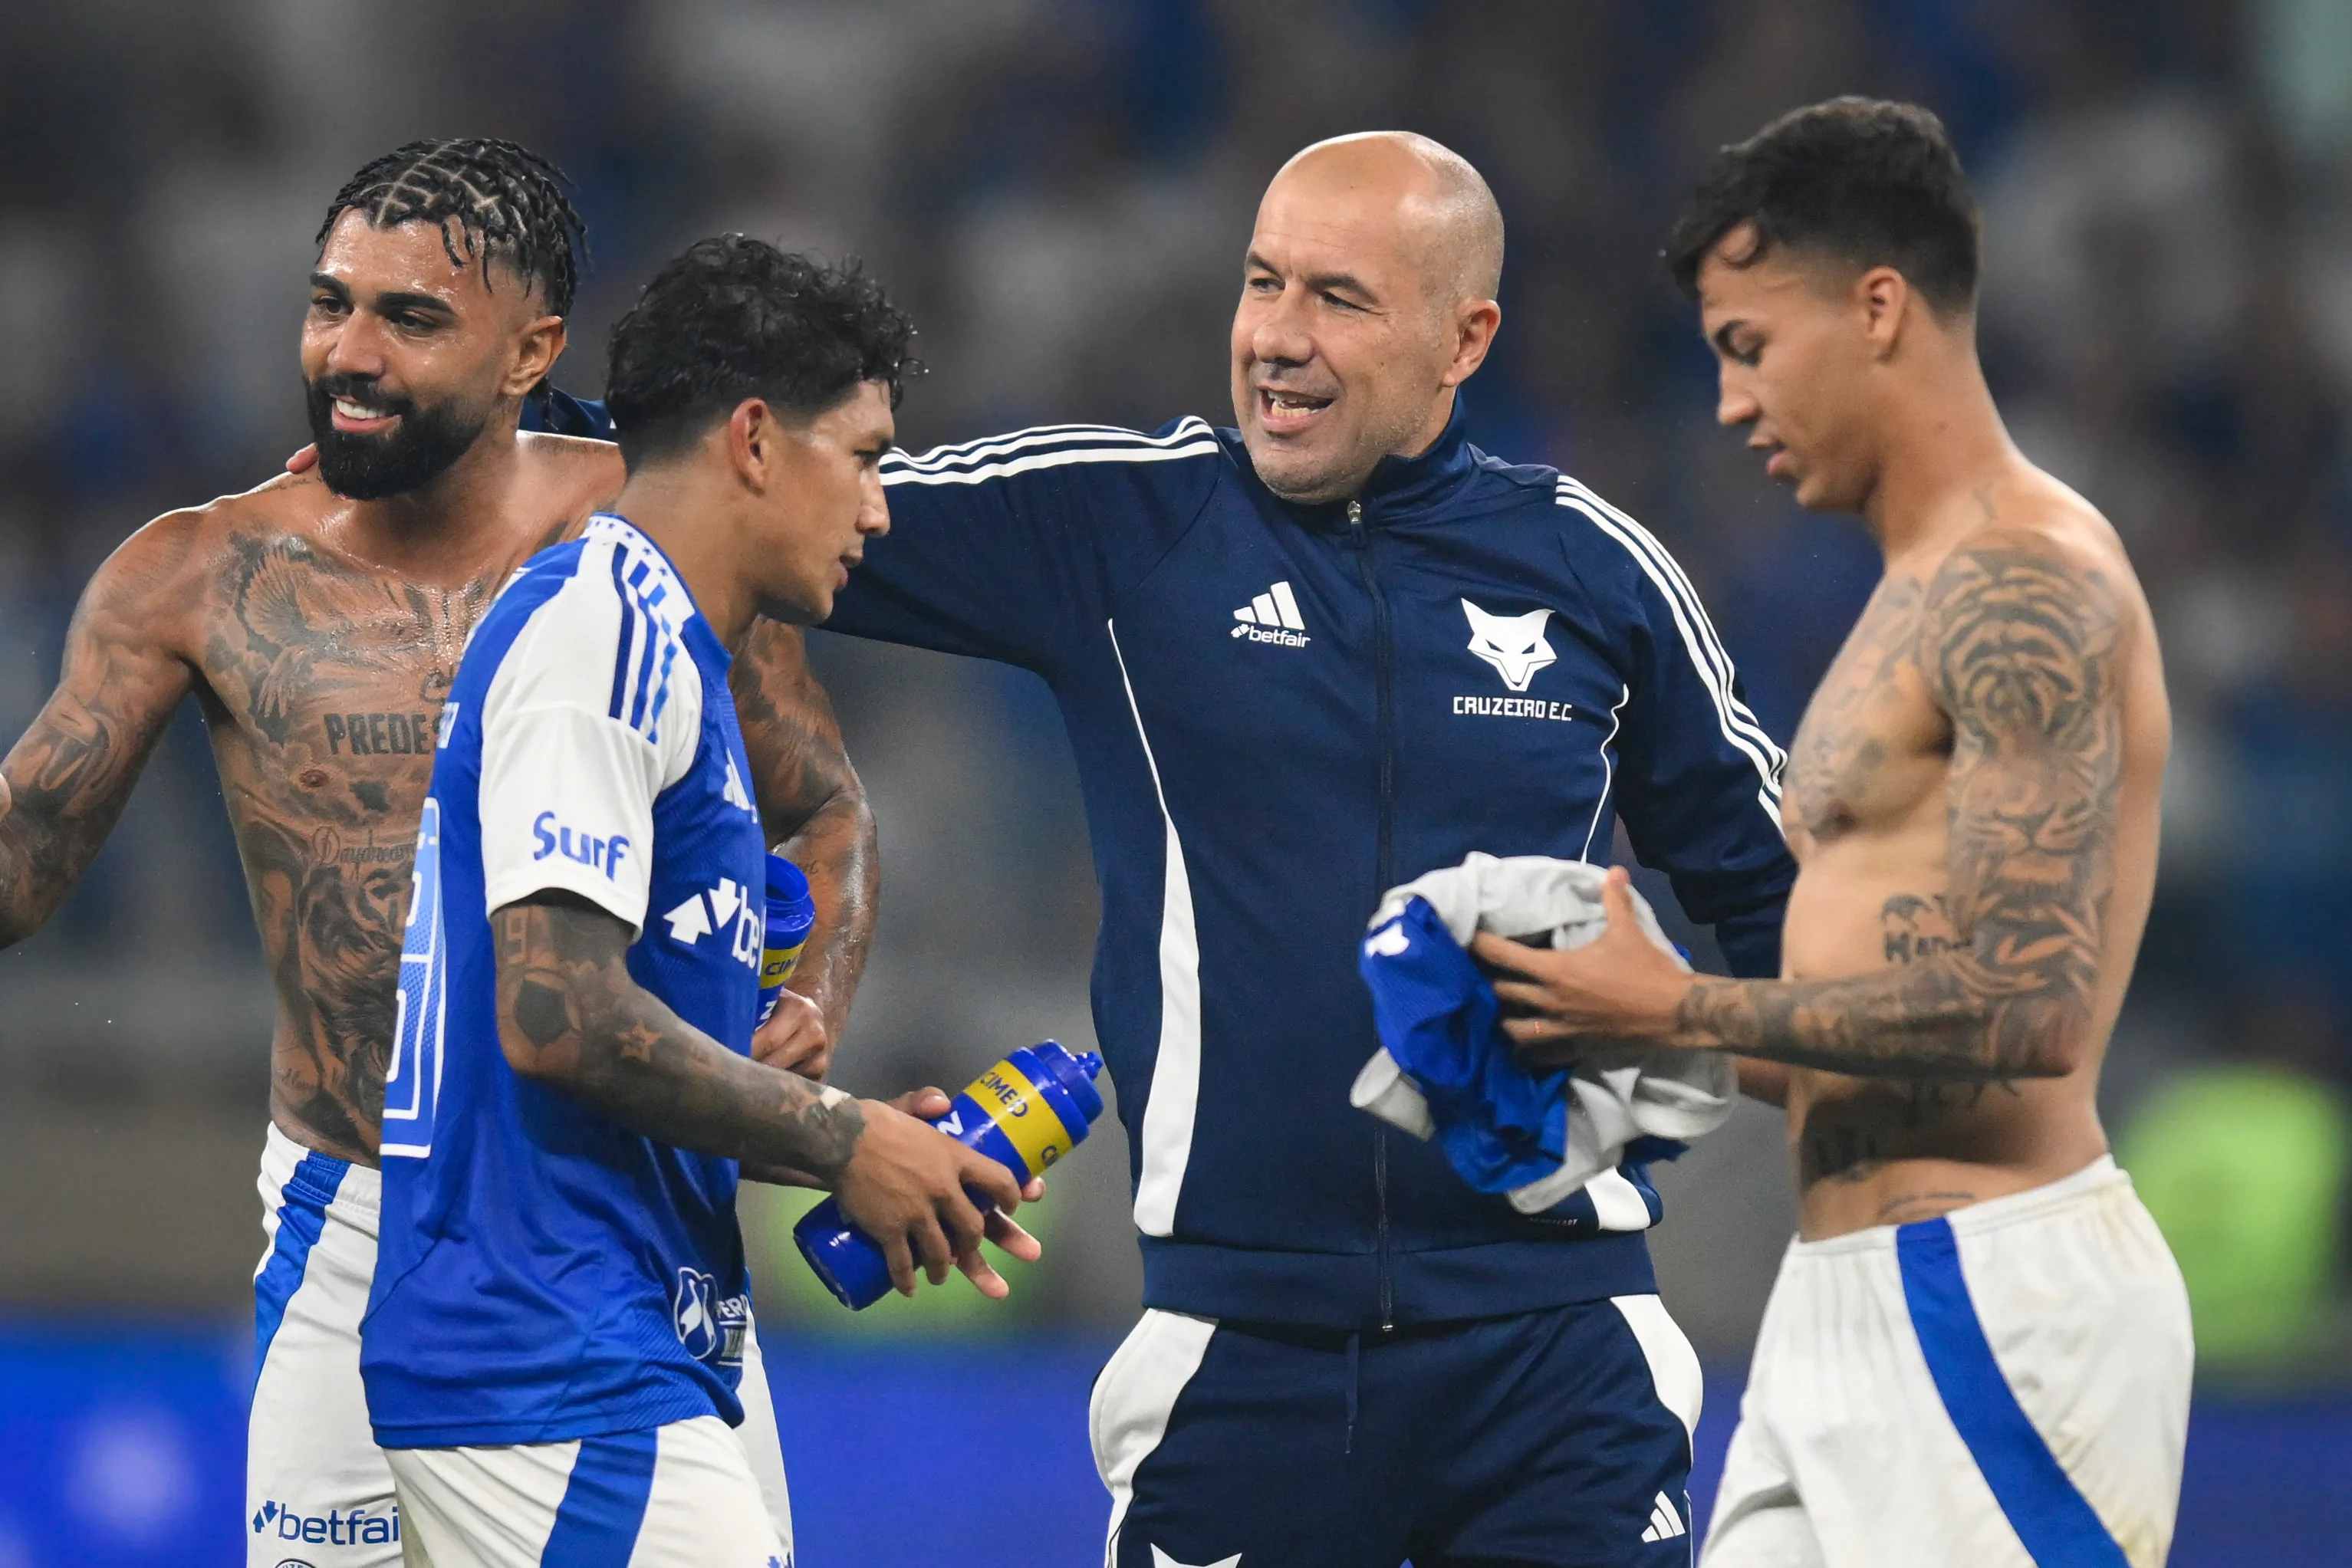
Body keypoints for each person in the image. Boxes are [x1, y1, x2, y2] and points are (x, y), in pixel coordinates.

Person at [823, 131, 1797, 1566]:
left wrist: (1703, 1046)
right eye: (1261, 282)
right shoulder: (1122, 521)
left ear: (1465, 338)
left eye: (1338, 298)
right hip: (1239, 1351)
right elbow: (749, 510)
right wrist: (468, 441)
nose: (1275, 337)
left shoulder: (1595, 571)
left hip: (1558, 1349)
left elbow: (1791, 918)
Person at [0, 140, 875, 1566]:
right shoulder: (199, 574)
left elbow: (828, 807)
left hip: (609, 1225)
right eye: (329, 302)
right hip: (351, 1223)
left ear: (532, 350)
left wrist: (814, 1000)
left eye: (409, 321)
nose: (348, 352)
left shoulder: (641, 538)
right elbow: (23, 854)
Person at [1475, 100, 2189, 1567]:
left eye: (1747, 346)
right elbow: (1861, 1016)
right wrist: (1605, 1027)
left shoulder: (2024, 582)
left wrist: (1672, 999)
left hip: (1991, 1298)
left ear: (1878, 309)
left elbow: (2028, 1005)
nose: (1730, 403)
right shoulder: (1912, 588)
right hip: (1842, 1299)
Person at [360, 233, 1038, 1566]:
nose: (882, 509)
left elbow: (611, 1064)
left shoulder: (675, 654)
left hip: (609, 1344)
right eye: (866, 457)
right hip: (550, 1357)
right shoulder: (599, 629)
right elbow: (554, 1016)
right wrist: (843, 1136)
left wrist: (824, 1142)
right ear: (753, 440)